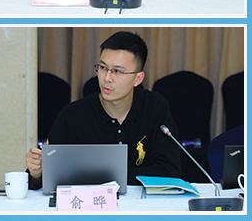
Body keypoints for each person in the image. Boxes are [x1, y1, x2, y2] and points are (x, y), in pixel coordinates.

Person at [26, 32, 181, 188]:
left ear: (138, 79)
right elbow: (51, 174)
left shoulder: (154, 107)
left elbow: (170, 171)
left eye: (118, 71)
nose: (107, 78)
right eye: (103, 67)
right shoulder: (73, 115)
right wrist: (36, 174)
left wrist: (104, 178)